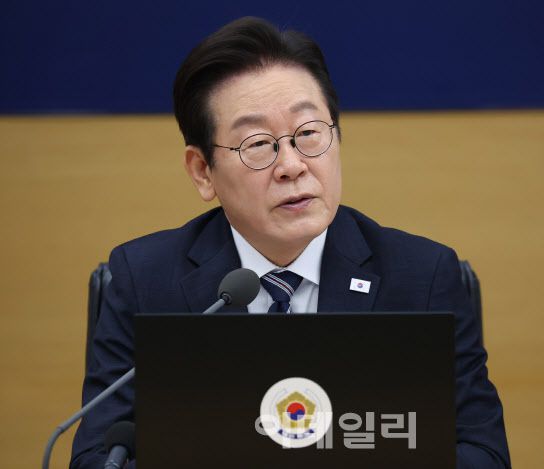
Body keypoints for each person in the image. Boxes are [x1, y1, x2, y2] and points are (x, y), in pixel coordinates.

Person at [70, 16, 511, 468]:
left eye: (308, 134)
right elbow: (97, 458)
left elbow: (484, 454)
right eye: (258, 144)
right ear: (203, 171)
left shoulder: (422, 278)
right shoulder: (145, 282)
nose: (292, 165)